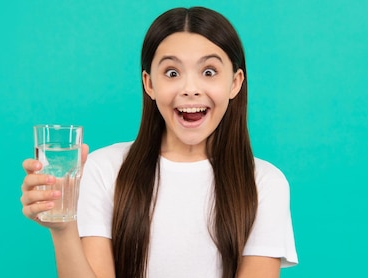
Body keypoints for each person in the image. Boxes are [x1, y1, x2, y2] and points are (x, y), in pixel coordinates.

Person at [20, 6, 298, 278]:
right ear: (149, 83)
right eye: (172, 73)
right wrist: (63, 227)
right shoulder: (104, 169)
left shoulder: (265, 184)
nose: (190, 89)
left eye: (209, 71)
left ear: (235, 83)